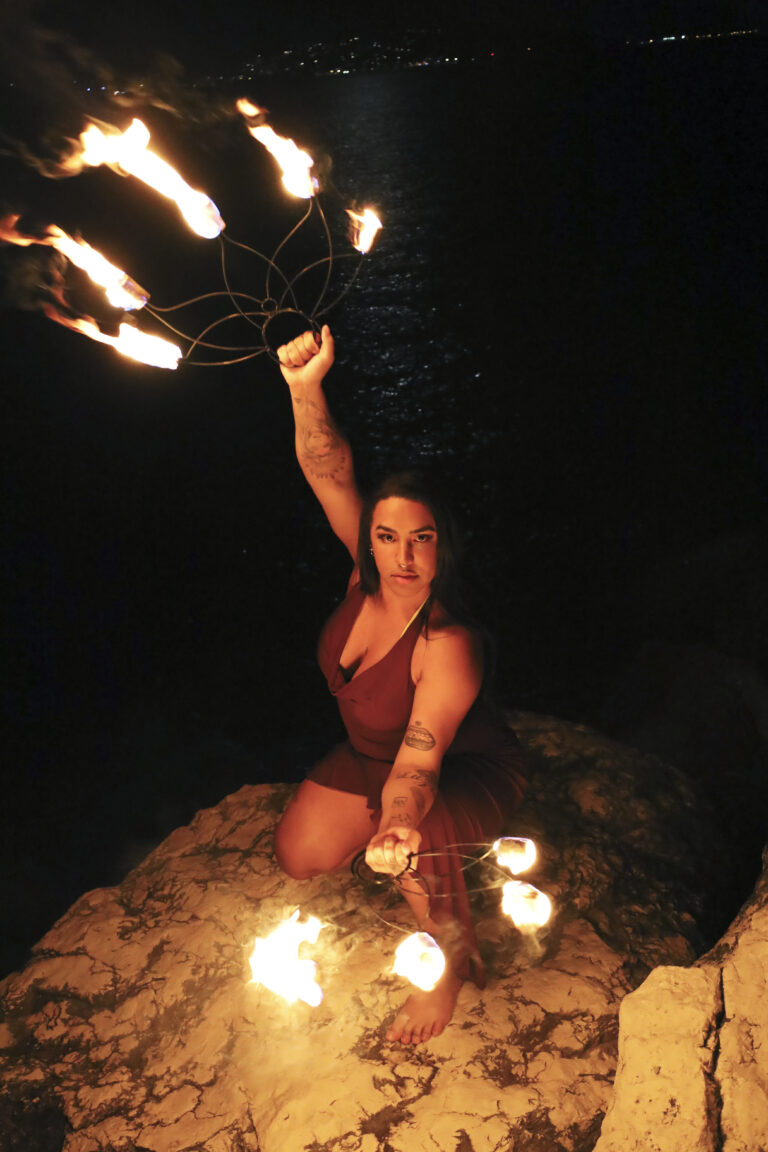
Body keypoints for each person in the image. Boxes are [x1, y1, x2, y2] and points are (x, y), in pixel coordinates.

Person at [273, 325, 528, 1045]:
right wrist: (305, 389)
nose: (404, 556)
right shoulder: (367, 572)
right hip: (371, 757)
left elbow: (420, 762)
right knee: (300, 856)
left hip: (461, 772)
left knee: (417, 842)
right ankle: (403, 846)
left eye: (422, 539)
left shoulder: (448, 642)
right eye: (388, 537)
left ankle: (445, 967)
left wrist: (398, 823)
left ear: (444, 543)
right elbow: (328, 471)